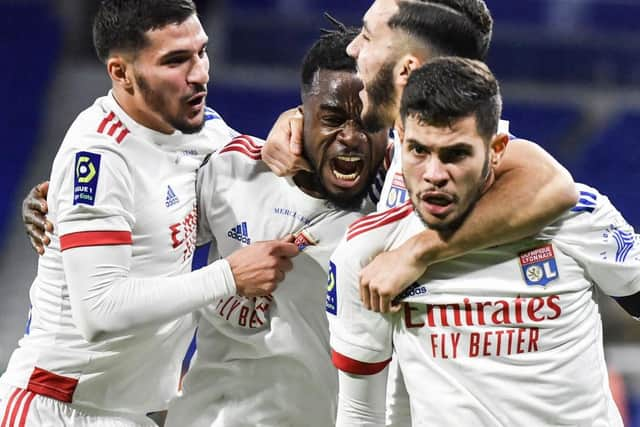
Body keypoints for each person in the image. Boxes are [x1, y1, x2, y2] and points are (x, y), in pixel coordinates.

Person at [0, 1, 298, 425]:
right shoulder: (102, 156)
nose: (199, 74)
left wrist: (293, 120)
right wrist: (229, 275)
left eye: (201, 52)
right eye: (175, 61)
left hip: (130, 413)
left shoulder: (202, 131)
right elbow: (101, 311)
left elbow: (262, 166)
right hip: (58, 409)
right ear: (121, 73)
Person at [328, 56, 639, 426]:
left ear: (497, 148)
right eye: (418, 151)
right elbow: (361, 411)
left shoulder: (571, 217)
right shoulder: (368, 253)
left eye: (456, 154)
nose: (434, 175)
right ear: (399, 135)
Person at [262, 0, 577, 313]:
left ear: (408, 68)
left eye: (368, 36)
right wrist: (299, 121)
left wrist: (416, 253)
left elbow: (555, 186)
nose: (353, 48)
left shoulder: (493, 170)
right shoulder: (403, 150)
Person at [163, 27, 388, 427]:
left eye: (368, 122)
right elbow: (146, 231)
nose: (351, 137)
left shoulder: (394, 209)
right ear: (302, 118)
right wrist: (62, 206)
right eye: (333, 119)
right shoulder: (234, 170)